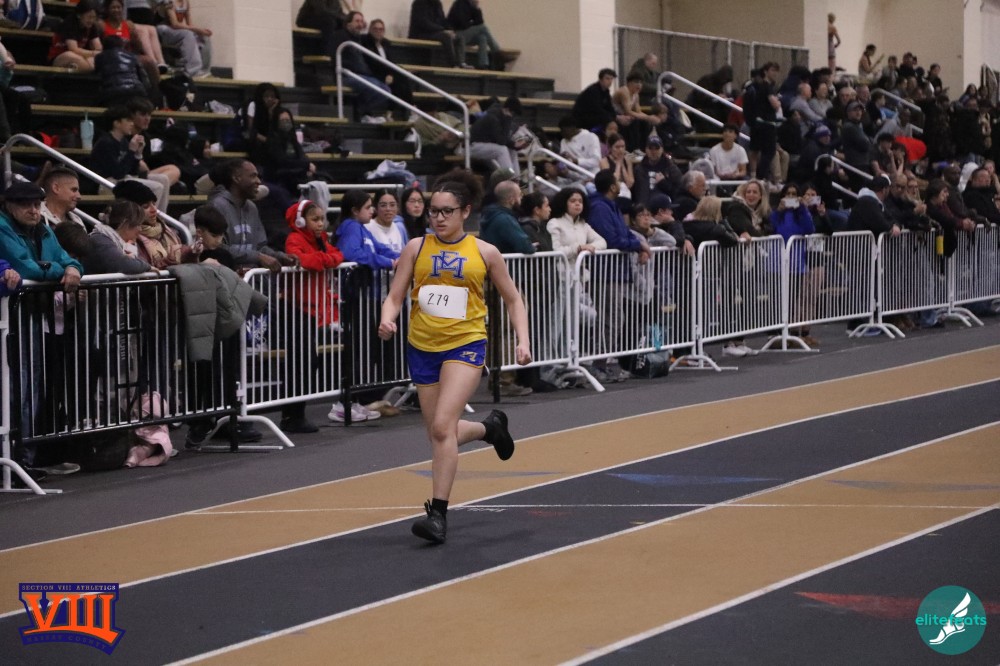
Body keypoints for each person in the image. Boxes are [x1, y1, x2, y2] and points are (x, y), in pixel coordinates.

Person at [377, 169, 530, 544]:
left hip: (465, 343)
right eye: (433, 211)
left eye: (447, 211)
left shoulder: (485, 252)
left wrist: (523, 341)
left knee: (443, 427)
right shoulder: (416, 248)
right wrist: (387, 318)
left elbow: (513, 299)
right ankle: (490, 429)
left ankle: (438, 515)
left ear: (465, 212)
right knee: (438, 432)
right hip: (422, 346)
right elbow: (395, 295)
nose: (439, 218)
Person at [282, 199, 344, 433]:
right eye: (315, 219)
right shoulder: (294, 239)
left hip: (313, 308)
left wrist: (323, 259)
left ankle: (296, 413)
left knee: (309, 362)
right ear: (300, 221)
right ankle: (292, 415)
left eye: (322, 219)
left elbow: (337, 255)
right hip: (298, 308)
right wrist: (323, 260)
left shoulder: (320, 240)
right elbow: (303, 260)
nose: (320, 224)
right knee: (301, 363)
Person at [208, 158, 297, 272]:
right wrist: (258, 257)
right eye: (253, 176)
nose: (258, 181)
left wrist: (279, 256)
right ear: (236, 178)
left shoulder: (252, 207)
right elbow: (218, 248)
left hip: (250, 277)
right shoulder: (217, 206)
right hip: (225, 275)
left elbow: (260, 247)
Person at [113, 180, 198, 268]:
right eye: (146, 206)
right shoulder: (128, 237)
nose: (154, 210)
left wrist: (192, 251)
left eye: (154, 204)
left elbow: (181, 254)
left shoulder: (166, 230)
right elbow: (141, 268)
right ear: (131, 210)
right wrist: (169, 260)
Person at [335, 11, 392, 124]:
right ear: (348, 24)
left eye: (362, 22)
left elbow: (374, 38)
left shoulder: (359, 39)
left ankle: (361, 111)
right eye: (357, 21)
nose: (360, 24)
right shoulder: (340, 36)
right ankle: (359, 113)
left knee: (386, 90)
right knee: (374, 86)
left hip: (362, 74)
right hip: (346, 74)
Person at [362, 18, 414, 120]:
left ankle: (405, 110)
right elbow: (372, 63)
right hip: (375, 74)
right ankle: (407, 109)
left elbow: (391, 62)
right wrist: (385, 76)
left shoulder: (386, 44)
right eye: (375, 29)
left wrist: (390, 74)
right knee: (400, 79)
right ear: (370, 30)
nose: (378, 31)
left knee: (402, 79)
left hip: (388, 74)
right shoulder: (366, 43)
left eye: (381, 29)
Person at [84, 199, 152, 275]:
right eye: (138, 225)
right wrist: (148, 267)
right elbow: (124, 265)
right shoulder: (100, 240)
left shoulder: (117, 242)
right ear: (125, 224)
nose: (140, 229)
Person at [151, 0, 212, 78]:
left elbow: (190, 25)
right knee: (187, 34)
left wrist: (200, 31)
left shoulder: (186, 2)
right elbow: (175, 24)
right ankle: (192, 70)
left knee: (204, 37)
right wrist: (197, 29)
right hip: (163, 30)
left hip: (176, 30)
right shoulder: (169, 2)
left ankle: (204, 70)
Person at [468, 96, 527, 175]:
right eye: (513, 114)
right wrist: (508, 120)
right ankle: (510, 177)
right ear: (508, 110)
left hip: (484, 144)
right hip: (473, 146)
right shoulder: (493, 117)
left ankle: (517, 178)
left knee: (512, 150)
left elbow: (501, 138)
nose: (512, 117)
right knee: (502, 150)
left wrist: (514, 145)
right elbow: (501, 141)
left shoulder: (500, 116)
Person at [94, 35, 151, 106]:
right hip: (136, 91)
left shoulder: (99, 57)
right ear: (122, 45)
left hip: (112, 93)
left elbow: (98, 74)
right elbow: (144, 78)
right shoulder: (133, 56)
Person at [48, 0, 102, 73]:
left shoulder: (92, 26)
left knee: (93, 60)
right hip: (61, 56)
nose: (91, 20)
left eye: (94, 17)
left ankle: (85, 67)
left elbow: (98, 48)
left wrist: (95, 54)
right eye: (89, 17)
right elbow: (73, 49)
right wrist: (93, 53)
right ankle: (88, 68)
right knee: (73, 57)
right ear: (79, 15)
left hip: (83, 56)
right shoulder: (69, 24)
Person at [447, 0, 502, 71]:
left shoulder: (472, 6)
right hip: (457, 33)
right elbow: (463, 24)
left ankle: (483, 64)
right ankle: (497, 51)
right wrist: (473, 24)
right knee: (483, 27)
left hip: (466, 34)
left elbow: (480, 21)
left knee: (482, 37)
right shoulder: (459, 4)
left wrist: (476, 8)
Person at [296, 0, 361, 58]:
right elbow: (321, 11)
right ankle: (326, 52)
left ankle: (349, 52)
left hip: (325, 19)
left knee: (345, 23)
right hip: (307, 19)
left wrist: (348, 20)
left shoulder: (335, 1)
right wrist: (338, 17)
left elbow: (340, 13)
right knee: (329, 22)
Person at [408, 0, 462, 68]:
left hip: (434, 32)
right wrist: (443, 30)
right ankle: (453, 64)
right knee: (446, 37)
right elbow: (423, 23)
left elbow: (443, 21)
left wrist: (451, 30)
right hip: (420, 34)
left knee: (459, 37)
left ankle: (461, 63)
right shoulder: (419, 3)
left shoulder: (438, 4)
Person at [631, 134, 682, 204]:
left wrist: (663, 183)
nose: (653, 151)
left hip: (663, 208)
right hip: (642, 208)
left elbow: (678, 193)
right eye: (650, 148)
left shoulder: (671, 169)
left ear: (662, 149)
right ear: (646, 150)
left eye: (657, 148)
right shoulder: (638, 169)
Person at [366, 188, 408, 254]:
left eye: (392, 205)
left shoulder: (399, 227)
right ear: (376, 208)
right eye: (383, 205)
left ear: (398, 207)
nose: (388, 209)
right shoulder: (367, 227)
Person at [599, 133, 634, 202]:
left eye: (623, 146)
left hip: (626, 194)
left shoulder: (627, 161)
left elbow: (630, 183)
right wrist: (618, 165)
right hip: (611, 195)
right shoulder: (604, 161)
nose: (621, 150)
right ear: (610, 148)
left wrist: (623, 166)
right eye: (617, 147)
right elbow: (611, 182)